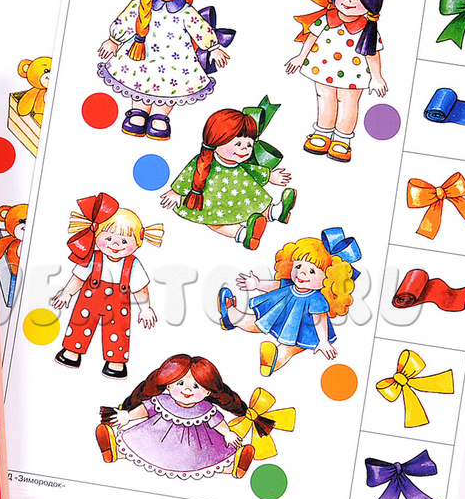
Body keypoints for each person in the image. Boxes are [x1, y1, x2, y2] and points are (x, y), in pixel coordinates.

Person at [97, 0, 231, 139]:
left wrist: (214, 47)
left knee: (170, 85)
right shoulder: (142, 1)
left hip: (175, 59)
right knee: (139, 79)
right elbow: (128, 19)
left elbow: (199, 27)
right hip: (142, 53)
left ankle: (160, 115)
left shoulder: (185, 9)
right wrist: (114, 40)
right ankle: (139, 111)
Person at [219, 229, 361, 376]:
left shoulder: (317, 299)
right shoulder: (289, 284)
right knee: (258, 321)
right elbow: (276, 285)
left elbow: (320, 318)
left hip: (303, 329)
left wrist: (324, 341)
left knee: (289, 348)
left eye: (312, 271)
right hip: (279, 314)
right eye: (298, 266)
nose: (302, 273)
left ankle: (271, 362)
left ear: (329, 279)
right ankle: (232, 317)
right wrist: (258, 284)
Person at [51, 192, 162, 378]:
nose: (115, 244)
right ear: (97, 235)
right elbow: (78, 277)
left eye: (124, 241)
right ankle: (72, 352)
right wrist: (67, 293)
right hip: (89, 300)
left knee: (118, 330)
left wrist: (145, 308)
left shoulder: (133, 264)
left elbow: (140, 289)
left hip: (119, 304)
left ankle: (116, 362)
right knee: (80, 323)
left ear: (137, 243)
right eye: (109, 238)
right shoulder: (92, 257)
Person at [96, 354, 259, 479]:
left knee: (211, 460)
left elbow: (217, 422)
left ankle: (234, 466)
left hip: (197, 447)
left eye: (196, 386)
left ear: (208, 392)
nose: (187, 390)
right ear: (168, 384)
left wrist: (228, 433)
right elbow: (145, 409)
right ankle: (115, 451)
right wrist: (128, 415)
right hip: (158, 438)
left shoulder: (206, 408)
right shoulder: (162, 400)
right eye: (180, 383)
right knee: (141, 447)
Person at [159, 100, 295, 250]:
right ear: (216, 140)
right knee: (215, 221)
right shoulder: (203, 161)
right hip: (211, 201)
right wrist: (176, 192)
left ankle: (276, 212)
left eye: (249, 144)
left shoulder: (241, 166)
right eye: (238, 144)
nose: (245, 149)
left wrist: (270, 176)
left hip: (242, 196)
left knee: (257, 202)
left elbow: (252, 171)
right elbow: (190, 174)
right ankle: (244, 235)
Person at [285, 0, 387, 163]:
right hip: (322, 67)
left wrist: (377, 77)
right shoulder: (326, 18)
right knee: (324, 97)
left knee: (348, 102)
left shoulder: (367, 28)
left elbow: (372, 53)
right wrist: (300, 57)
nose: (347, 1)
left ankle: (342, 138)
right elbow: (311, 37)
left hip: (353, 73)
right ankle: (322, 132)